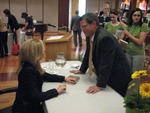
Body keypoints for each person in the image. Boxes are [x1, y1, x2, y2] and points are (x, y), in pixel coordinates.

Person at [70, 13, 131, 97]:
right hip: (109, 74)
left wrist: (100, 85)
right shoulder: (89, 34)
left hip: (118, 75)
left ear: (94, 24)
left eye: (84, 26)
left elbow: (106, 63)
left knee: (114, 102)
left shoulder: (104, 38)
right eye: (81, 27)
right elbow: (88, 52)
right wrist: (82, 70)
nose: (82, 29)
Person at [12, 39, 77, 113]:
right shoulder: (28, 71)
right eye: (42, 50)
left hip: (29, 104)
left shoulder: (31, 65)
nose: (44, 51)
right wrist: (57, 90)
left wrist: (64, 78)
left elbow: (45, 76)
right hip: (26, 109)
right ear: (35, 54)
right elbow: (37, 97)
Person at [119, 8, 148, 73]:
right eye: (134, 15)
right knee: (127, 73)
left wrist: (129, 35)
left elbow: (140, 42)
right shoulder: (129, 25)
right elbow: (121, 38)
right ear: (131, 16)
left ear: (141, 17)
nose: (136, 17)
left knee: (135, 76)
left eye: (138, 15)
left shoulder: (144, 26)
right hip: (128, 52)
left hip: (138, 54)